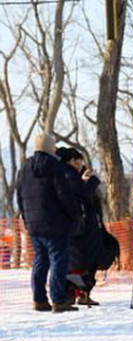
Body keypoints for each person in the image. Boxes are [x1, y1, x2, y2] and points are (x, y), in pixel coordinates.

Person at [16, 132, 79, 312]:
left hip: (34, 224)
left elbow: (19, 196)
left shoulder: (25, 168)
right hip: (56, 224)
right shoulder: (56, 167)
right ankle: (58, 300)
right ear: (51, 148)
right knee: (59, 261)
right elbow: (65, 195)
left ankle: (39, 299)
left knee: (40, 261)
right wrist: (74, 216)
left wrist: (27, 218)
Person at [59, 147, 107, 306]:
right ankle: (76, 293)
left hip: (86, 225)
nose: (79, 166)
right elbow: (84, 194)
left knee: (85, 263)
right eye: (77, 163)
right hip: (81, 228)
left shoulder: (73, 175)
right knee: (80, 264)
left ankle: (83, 293)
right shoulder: (68, 175)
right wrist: (92, 181)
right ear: (71, 161)